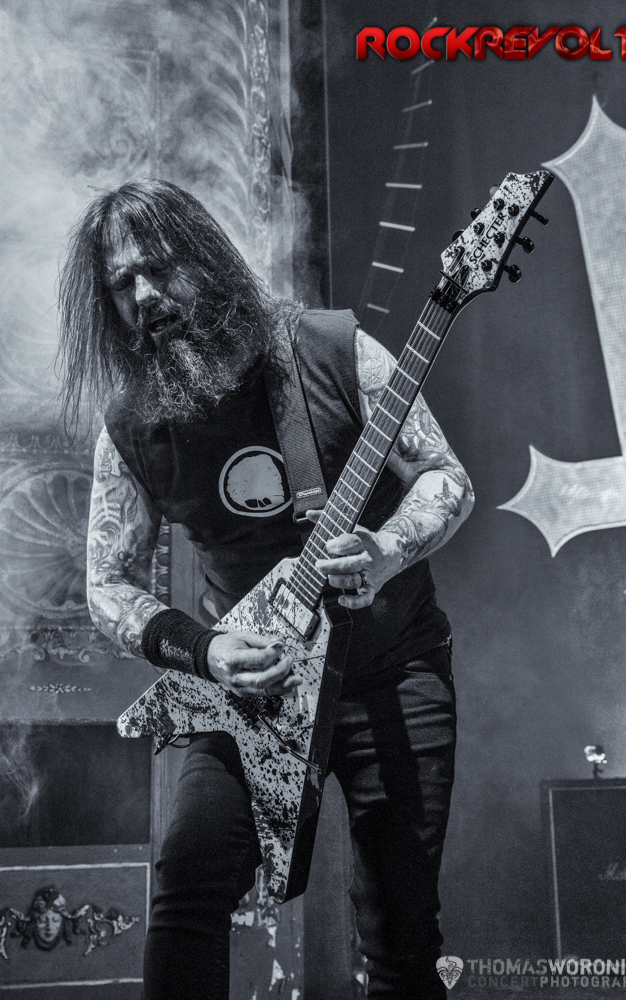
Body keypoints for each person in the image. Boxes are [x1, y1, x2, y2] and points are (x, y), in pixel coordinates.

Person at [58, 179, 474, 1000]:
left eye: (158, 267)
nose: (145, 295)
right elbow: (105, 582)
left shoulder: (330, 349)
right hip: (252, 692)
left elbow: (444, 477)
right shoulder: (131, 423)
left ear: (205, 260)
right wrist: (205, 651)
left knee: (399, 928)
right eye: (121, 283)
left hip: (389, 672)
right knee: (187, 887)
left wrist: (385, 550)